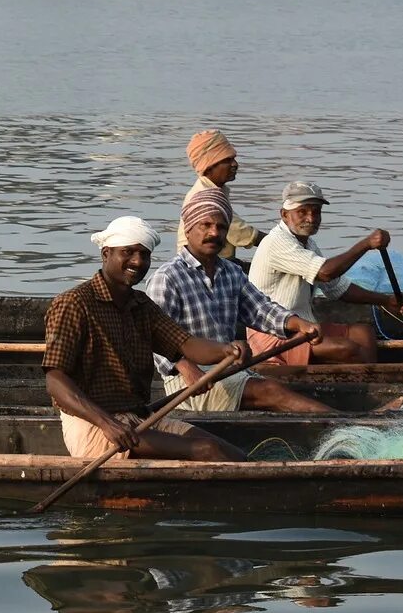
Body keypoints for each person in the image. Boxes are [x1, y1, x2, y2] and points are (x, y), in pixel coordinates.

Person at [42, 216, 251, 461]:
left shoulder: (141, 305)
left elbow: (186, 344)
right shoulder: (74, 304)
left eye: (144, 254)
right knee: (207, 452)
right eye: (128, 252)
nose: (138, 262)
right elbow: (55, 380)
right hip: (94, 426)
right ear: (106, 254)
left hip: (138, 418)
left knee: (226, 450)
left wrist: (226, 350)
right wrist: (107, 423)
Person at [145, 190, 332, 413]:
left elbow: (261, 310)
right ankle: (347, 424)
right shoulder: (167, 277)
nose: (214, 233)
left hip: (230, 370)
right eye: (205, 225)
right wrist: (187, 368)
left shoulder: (231, 272)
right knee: (270, 392)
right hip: (188, 384)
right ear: (189, 229)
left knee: (280, 390)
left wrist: (298, 324)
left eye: (221, 227)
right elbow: (152, 338)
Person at [246, 181, 403, 365]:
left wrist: (386, 301)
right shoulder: (276, 242)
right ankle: (363, 386)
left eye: (316, 212)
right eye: (303, 212)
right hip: (273, 333)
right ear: (284, 215)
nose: (311, 218)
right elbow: (325, 273)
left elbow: (337, 288)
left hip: (305, 328)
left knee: (364, 333)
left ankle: (369, 380)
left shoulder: (308, 244)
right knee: (347, 349)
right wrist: (366, 244)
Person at [182, 129, 258, 260]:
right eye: (227, 160)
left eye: (234, 159)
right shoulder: (205, 196)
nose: (235, 164)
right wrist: (277, 243)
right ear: (209, 166)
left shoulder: (216, 190)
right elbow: (243, 234)